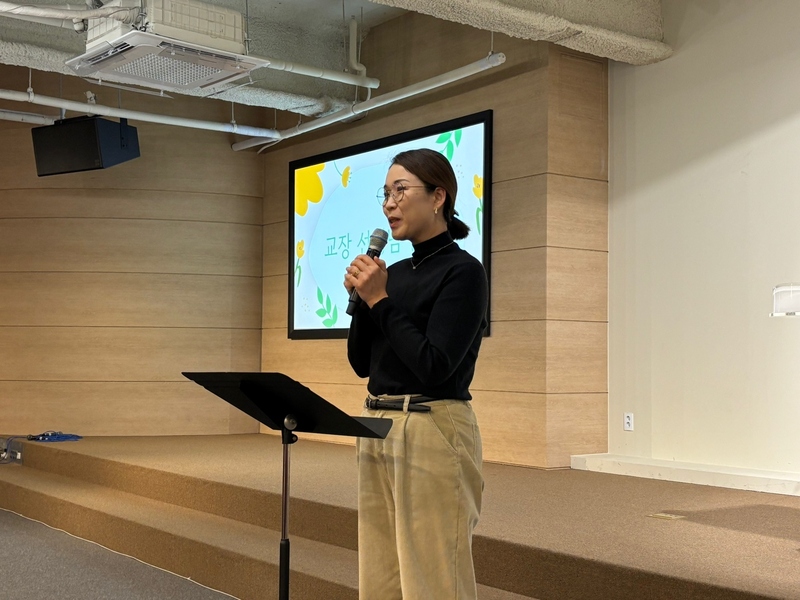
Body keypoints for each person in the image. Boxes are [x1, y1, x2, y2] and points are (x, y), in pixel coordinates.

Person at [344, 148, 489, 600]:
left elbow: (434, 365)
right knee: (380, 576)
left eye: (400, 190)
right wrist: (363, 303)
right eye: (385, 194)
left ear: (438, 197)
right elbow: (362, 364)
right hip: (376, 424)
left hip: (431, 426)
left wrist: (380, 300)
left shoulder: (464, 272)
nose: (389, 204)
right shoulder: (394, 273)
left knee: (434, 578)